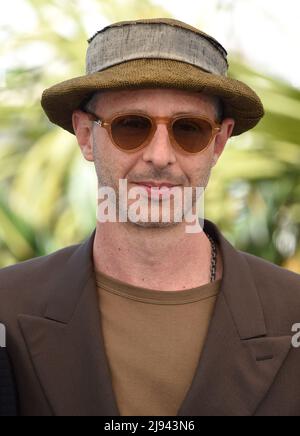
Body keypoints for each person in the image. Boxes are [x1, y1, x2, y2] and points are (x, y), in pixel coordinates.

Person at [0, 17, 299, 417]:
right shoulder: (7, 305)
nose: (160, 156)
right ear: (86, 135)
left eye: (189, 129)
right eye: (131, 126)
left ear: (219, 141)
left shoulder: (292, 310)